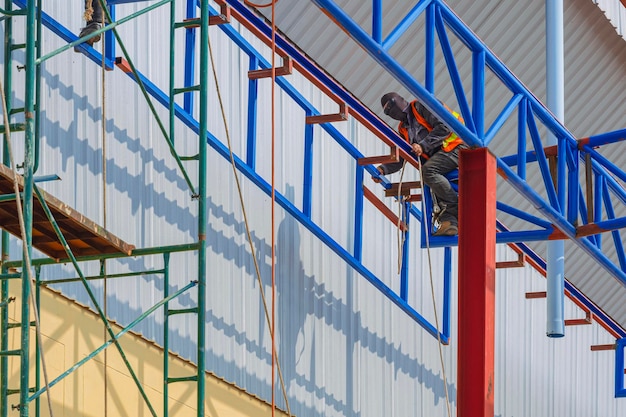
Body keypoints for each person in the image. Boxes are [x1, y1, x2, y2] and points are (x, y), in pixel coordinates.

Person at [374, 92, 467, 236]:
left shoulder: (421, 107)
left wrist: (423, 146)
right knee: (431, 183)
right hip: (441, 155)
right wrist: (383, 169)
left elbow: (444, 127)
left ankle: (456, 208)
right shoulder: (403, 129)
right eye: (388, 112)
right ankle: (450, 222)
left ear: (400, 101)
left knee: (428, 171)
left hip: (457, 145)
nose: (392, 112)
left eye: (392, 106)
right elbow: (404, 156)